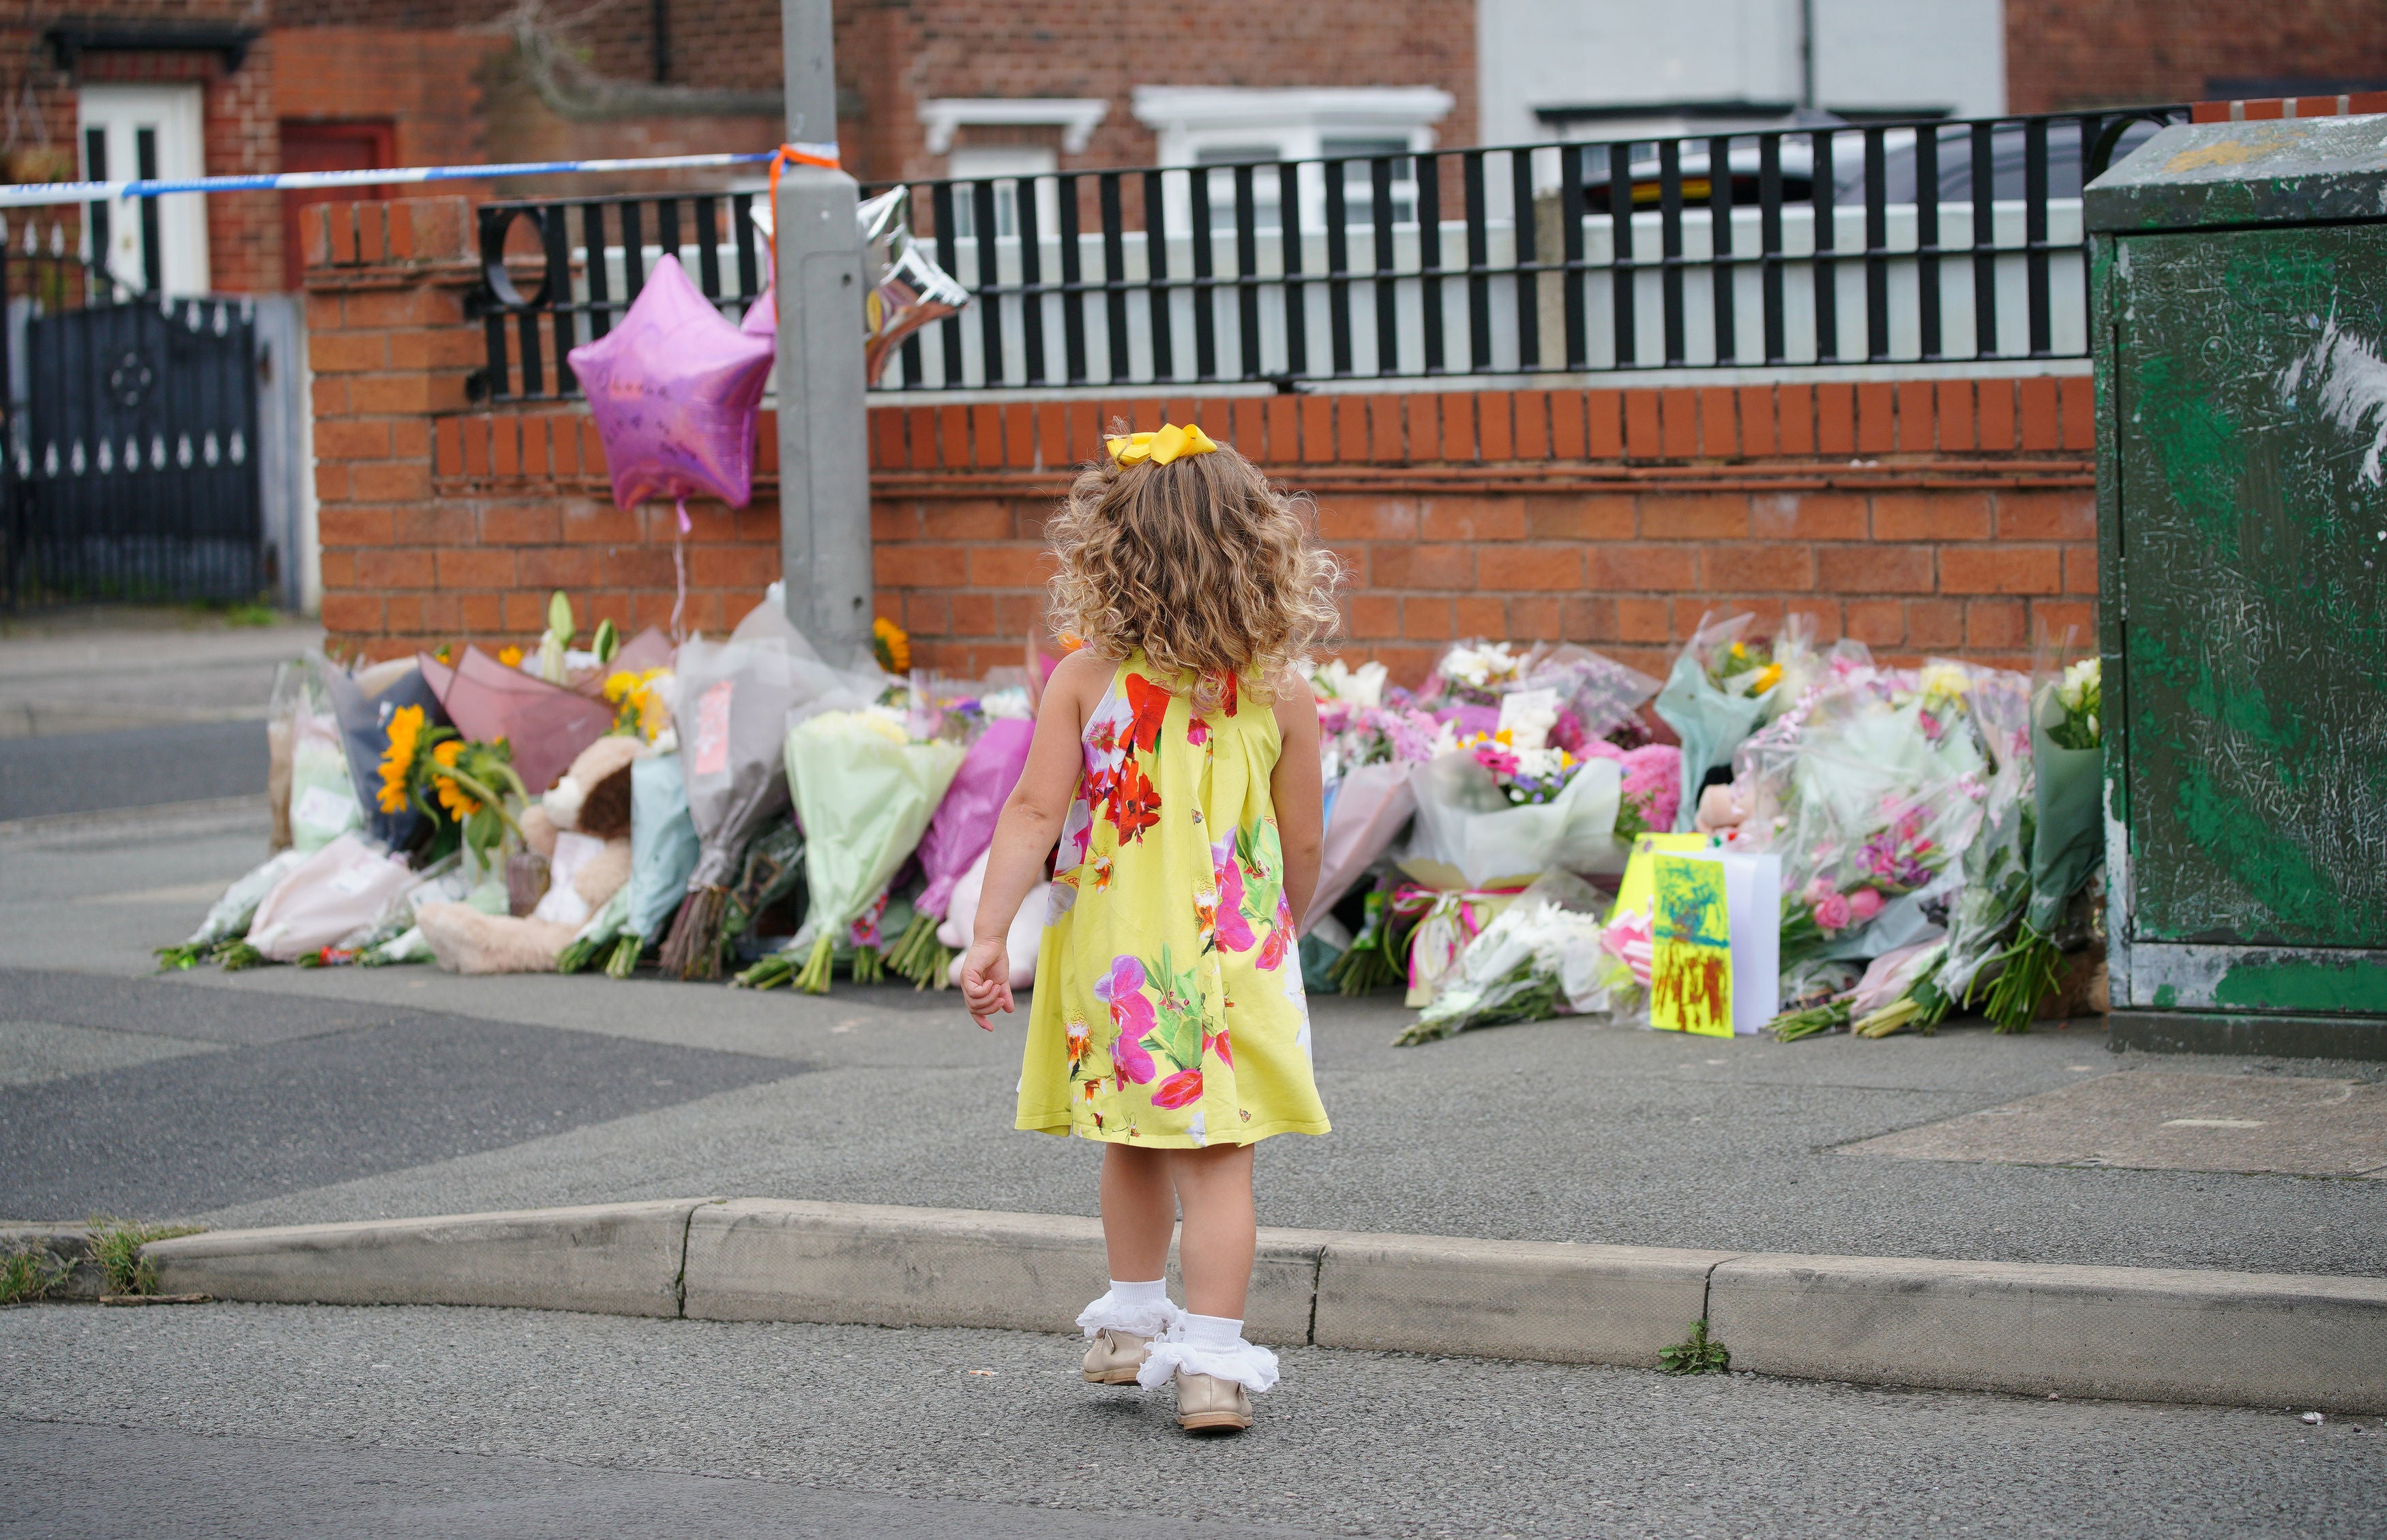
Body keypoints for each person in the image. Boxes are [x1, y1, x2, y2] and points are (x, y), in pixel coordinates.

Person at [959, 421, 1338, 1435]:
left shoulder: (1083, 680)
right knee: (1220, 1160)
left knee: (1128, 1138)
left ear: (1110, 555)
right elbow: (1303, 842)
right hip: (1236, 954)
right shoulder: (1279, 689)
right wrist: (1281, 925)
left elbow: (1034, 816)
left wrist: (991, 933)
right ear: (1258, 552)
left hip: (1119, 960)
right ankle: (1211, 1367)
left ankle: (1127, 1328)